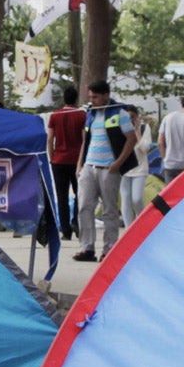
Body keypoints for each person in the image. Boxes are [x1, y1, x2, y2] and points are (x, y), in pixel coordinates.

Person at [73, 81, 136, 262]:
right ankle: (87, 247)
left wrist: (118, 163)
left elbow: (131, 139)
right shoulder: (90, 114)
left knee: (109, 210)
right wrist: (80, 164)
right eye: (90, 97)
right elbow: (85, 141)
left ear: (106, 95)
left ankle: (109, 249)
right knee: (84, 207)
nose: (92, 100)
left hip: (108, 169)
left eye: (96, 97)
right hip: (89, 167)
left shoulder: (120, 113)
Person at [45, 87, 83, 233]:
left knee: (61, 195)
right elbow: (84, 138)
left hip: (59, 160)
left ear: (64, 98)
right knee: (80, 193)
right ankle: (76, 222)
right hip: (77, 160)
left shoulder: (55, 116)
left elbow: (50, 139)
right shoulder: (81, 115)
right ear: (76, 99)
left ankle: (65, 229)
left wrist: (51, 156)